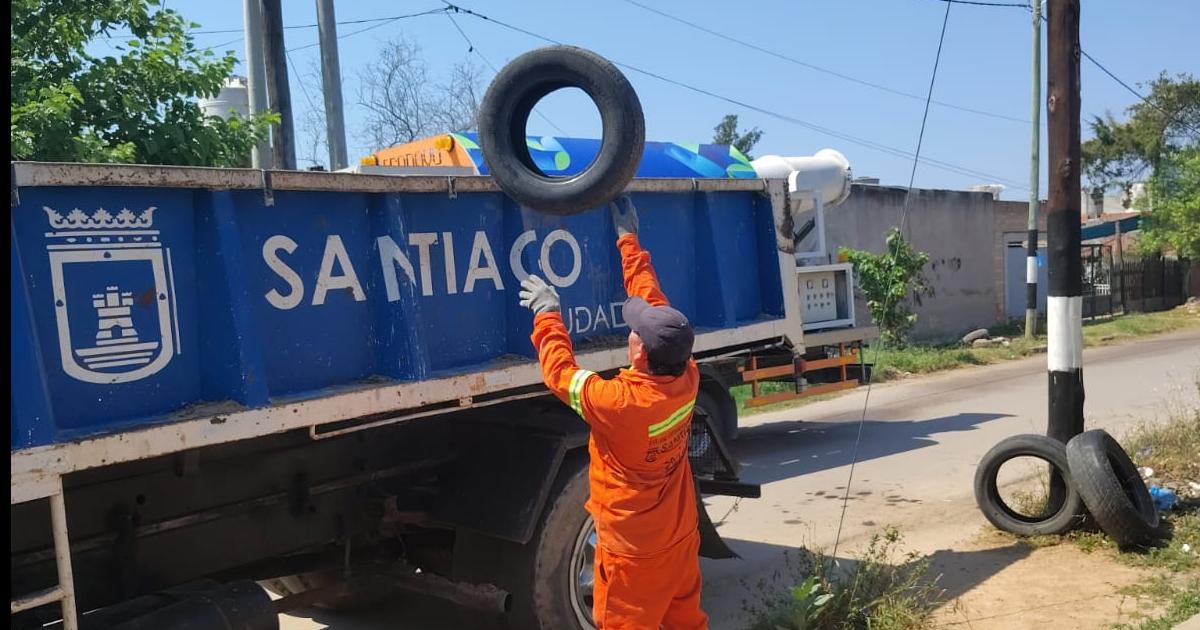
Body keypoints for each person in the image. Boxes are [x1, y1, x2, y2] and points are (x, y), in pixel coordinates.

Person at [518, 196, 708, 629]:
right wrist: (628, 240)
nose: (630, 330)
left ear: (639, 352)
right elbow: (651, 300)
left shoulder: (618, 404)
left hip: (633, 557)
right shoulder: (687, 375)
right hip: (678, 538)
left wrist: (547, 314)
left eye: (633, 330)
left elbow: (560, 375)